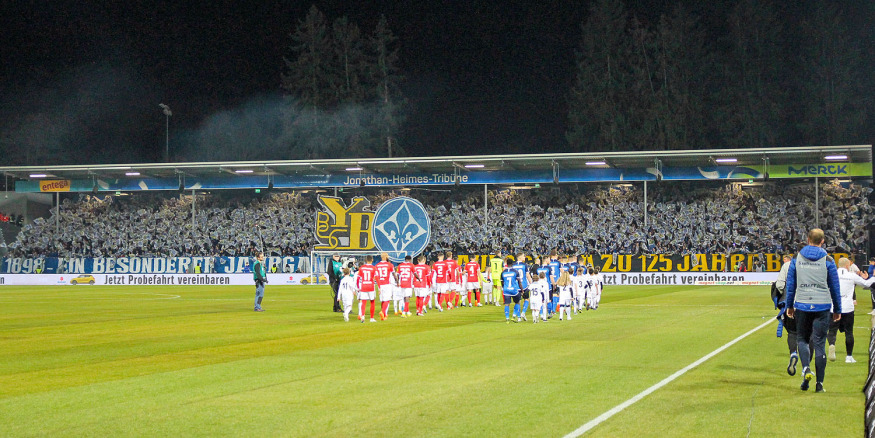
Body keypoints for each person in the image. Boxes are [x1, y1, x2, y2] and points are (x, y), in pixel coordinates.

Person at [785, 228, 842, 392]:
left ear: (808, 239)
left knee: (802, 339)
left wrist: (790, 305)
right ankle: (820, 384)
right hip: (822, 305)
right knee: (819, 344)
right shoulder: (828, 260)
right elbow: (835, 287)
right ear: (822, 241)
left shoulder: (797, 258)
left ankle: (806, 369)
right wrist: (837, 309)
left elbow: (791, 285)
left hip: (802, 304)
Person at [828, 257, 875, 363]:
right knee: (849, 332)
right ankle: (849, 356)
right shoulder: (851, 275)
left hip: (834, 307)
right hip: (848, 307)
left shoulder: (831, 274)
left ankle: (831, 344)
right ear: (848, 265)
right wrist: (871, 278)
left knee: (832, 330)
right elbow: (866, 284)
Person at [773, 254, 800, 375]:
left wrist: (784, 294)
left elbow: (779, 284)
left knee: (792, 333)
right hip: (808, 303)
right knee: (809, 335)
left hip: (790, 303)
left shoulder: (787, 266)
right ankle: (807, 367)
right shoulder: (814, 264)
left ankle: (793, 353)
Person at [502, 257, 524, 323]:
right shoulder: (515, 272)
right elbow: (519, 281)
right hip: (514, 290)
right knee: (517, 302)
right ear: (512, 264)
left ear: (507, 264)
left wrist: (504, 288)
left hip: (506, 290)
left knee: (507, 304)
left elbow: (502, 282)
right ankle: (514, 316)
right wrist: (522, 290)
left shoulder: (503, 272)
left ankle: (507, 318)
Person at [356, 255, 377, 322]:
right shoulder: (374, 268)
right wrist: (379, 287)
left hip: (364, 286)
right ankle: (371, 318)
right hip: (371, 286)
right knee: (372, 302)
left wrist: (358, 287)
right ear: (372, 260)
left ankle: (362, 317)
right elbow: (376, 278)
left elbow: (358, 278)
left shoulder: (362, 268)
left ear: (365, 260)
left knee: (363, 302)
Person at [512, 253, 532, 321]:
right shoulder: (524, 265)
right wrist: (531, 283)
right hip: (524, 285)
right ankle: (523, 313)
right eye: (523, 256)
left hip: (516, 286)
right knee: (526, 299)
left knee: (518, 302)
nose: (525, 257)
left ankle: (518, 317)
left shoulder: (513, 265)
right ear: (520, 258)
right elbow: (527, 275)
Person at [375, 253, 395, 321]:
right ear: (386, 257)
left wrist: (379, 286)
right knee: (387, 299)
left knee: (383, 300)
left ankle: (385, 315)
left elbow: (376, 276)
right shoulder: (390, 265)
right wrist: (397, 282)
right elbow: (394, 274)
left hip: (380, 284)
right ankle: (383, 312)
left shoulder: (377, 265)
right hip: (387, 284)